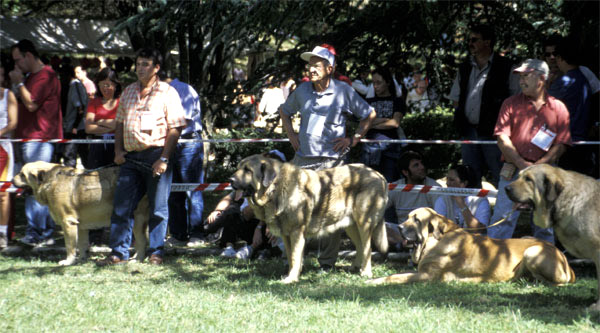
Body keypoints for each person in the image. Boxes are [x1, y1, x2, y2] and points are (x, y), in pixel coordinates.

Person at [279, 44, 376, 270]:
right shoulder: (302, 90)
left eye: (317, 64)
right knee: (293, 211)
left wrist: (354, 139)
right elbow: (285, 111)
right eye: (309, 64)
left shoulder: (344, 91)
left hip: (332, 164)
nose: (311, 69)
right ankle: (293, 262)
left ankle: (326, 263)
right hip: (303, 162)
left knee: (332, 214)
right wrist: (292, 135)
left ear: (329, 68)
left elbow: (369, 114)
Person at [98, 48, 186, 266]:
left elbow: (175, 128)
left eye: (145, 64)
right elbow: (119, 124)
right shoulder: (127, 91)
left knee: (158, 208)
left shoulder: (167, 92)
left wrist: (164, 159)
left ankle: (156, 252)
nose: (140, 68)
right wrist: (118, 151)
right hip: (130, 158)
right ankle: (118, 253)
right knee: (122, 206)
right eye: (138, 64)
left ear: (156, 68)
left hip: (156, 155)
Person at [488, 59, 571, 242]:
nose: (521, 80)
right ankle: (490, 265)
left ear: (541, 78)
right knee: (502, 219)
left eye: (526, 76)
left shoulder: (559, 108)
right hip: (512, 170)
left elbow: (562, 145)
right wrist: (522, 165)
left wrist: (537, 167)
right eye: (520, 76)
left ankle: (546, 266)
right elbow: (502, 139)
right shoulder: (509, 104)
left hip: (545, 173)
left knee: (545, 224)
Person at [448, 24, 518, 187]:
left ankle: (506, 212)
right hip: (469, 131)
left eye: (474, 40)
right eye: (469, 40)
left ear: (487, 42)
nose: (470, 43)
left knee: (501, 175)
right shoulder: (464, 67)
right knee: (470, 177)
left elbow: (516, 101)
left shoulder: (506, 66)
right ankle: (473, 212)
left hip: (496, 133)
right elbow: (455, 99)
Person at [9, 39, 62, 247]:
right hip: (28, 139)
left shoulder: (46, 75)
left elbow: (31, 104)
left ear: (29, 55)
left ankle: (38, 233)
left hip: (39, 140)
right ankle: (41, 232)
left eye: (18, 60)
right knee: (33, 188)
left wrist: (19, 83)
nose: (16, 65)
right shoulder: (33, 76)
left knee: (36, 188)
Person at [204, 150, 286, 259]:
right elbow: (231, 198)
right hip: (249, 220)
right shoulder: (250, 182)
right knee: (232, 212)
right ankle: (228, 246)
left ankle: (253, 249)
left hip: (268, 224)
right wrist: (217, 211)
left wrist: (262, 225)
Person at [164, 77, 205, 247]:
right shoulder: (160, 92)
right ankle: (178, 234)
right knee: (173, 192)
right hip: (169, 143)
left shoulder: (183, 90)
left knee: (193, 190)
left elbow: (184, 121)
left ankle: (197, 234)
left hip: (188, 142)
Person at [547, 38, 594, 176]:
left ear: (560, 58)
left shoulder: (564, 82)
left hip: (566, 144)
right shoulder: (583, 79)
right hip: (583, 141)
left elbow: (544, 107)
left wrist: (548, 85)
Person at [385, 151, 441, 247]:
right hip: (401, 232)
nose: (422, 167)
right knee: (374, 225)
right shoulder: (397, 187)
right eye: (416, 165)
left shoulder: (433, 186)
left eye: (421, 164)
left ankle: (403, 245)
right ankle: (403, 244)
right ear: (405, 172)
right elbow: (378, 206)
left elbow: (440, 218)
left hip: (425, 232)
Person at [361, 66, 404, 182]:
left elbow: (395, 123)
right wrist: (385, 119)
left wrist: (372, 123)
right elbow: (363, 123)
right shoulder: (368, 102)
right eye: (373, 83)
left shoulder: (397, 101)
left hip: (391, 149)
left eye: (378, 82)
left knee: (389, 184)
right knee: (369, 185)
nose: (375, 86)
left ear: (388, 82)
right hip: (370, 149)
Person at [434, 164, 490, 231]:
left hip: (474, 240)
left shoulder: (480, 200)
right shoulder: (443, 200)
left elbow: (479, 229)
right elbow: (439, 227)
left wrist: (461, 203)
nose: (447, 183)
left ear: (464, 183)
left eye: (452, 180)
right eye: (447, 179)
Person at [84, 67, 121, 169]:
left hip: (117, 146)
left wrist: (100, 122)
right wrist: (113, 126)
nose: (105, 88)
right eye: (102, 84)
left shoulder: (122, 102)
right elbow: (88, 128)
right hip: (97, 146)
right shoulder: (93, 102)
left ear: (115, 85)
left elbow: (123, 126)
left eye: (108, 85)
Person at [0, 64, 18, 248]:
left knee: (2, 193)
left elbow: (13, 122)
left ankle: (3, 233)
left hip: (3, 147)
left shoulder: (8, 95)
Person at [61, 64, 88, 168]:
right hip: (76, 126)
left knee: (70, 156)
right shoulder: (77, 85)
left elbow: (80, 107)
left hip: (75, 127)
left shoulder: (74, 85)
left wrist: (75, 126)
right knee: (83, 155)